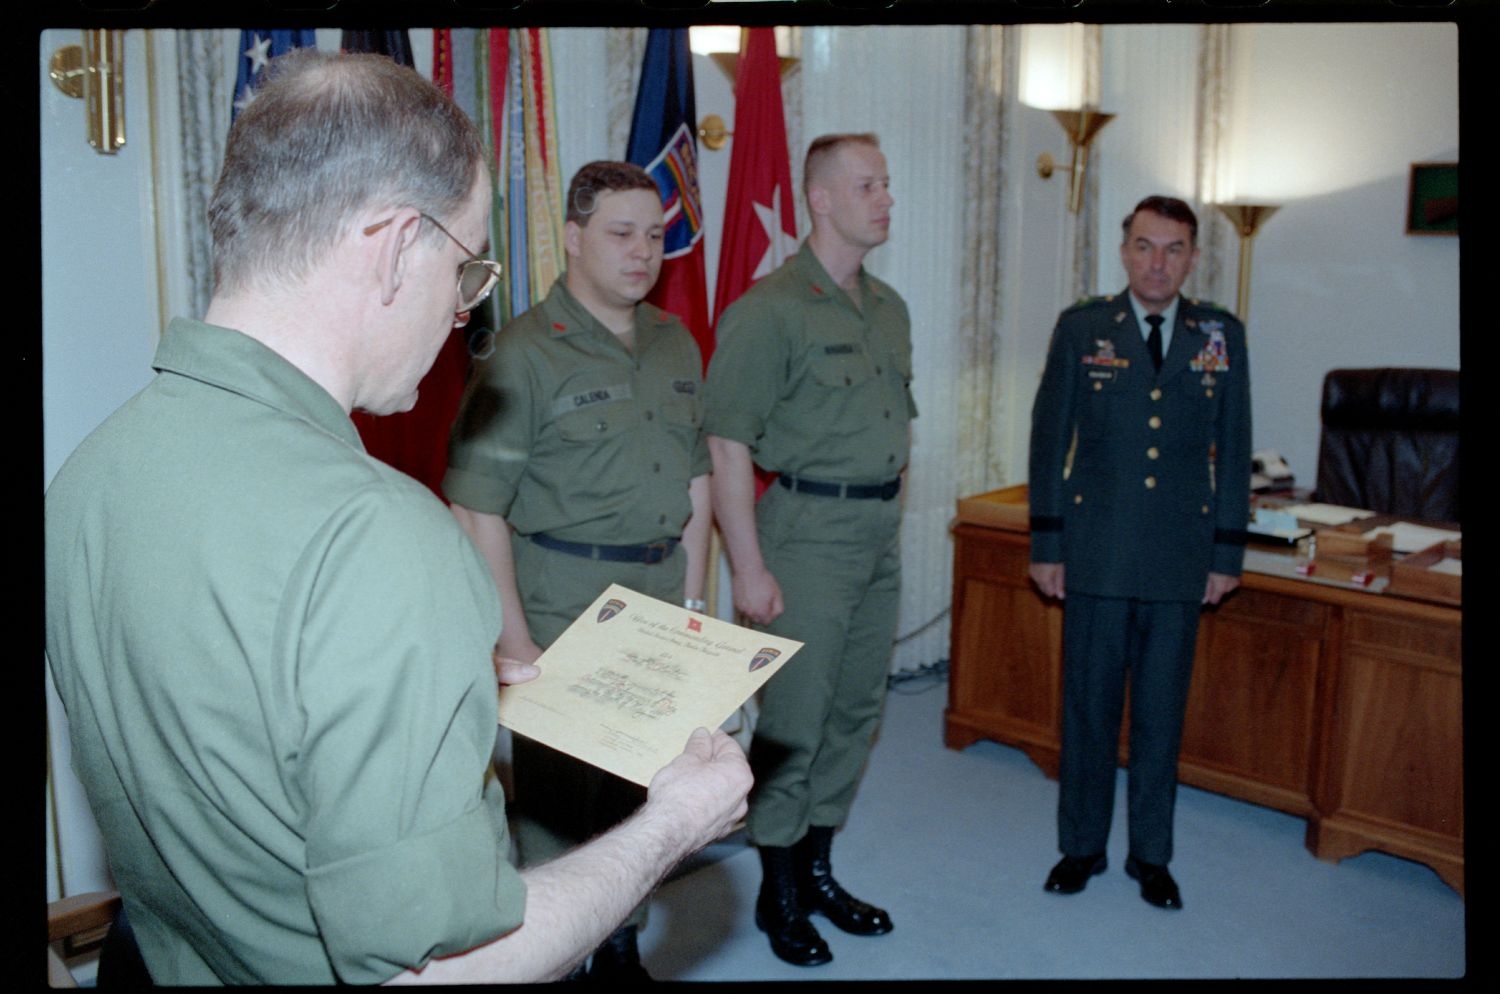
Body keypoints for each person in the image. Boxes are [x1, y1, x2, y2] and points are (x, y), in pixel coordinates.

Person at [43, 50, 750, 985]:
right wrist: (673, 822)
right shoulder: (379, 538)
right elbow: (442, 969)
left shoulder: (94, 468)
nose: (464, 312)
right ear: (389, 246)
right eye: (465, 269)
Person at [443, 160, 711, 980]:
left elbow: (695, 476)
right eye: (621, 234)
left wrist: (698, 601)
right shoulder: (522, 353)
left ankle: (622, 944)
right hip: (565, 608)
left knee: (641, 799)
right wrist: (513, 644)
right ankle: (554, 959)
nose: (642, 252)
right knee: (563, 815)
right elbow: (476, 506)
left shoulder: (674, 341)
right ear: (573, 238)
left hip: (662, 599)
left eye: (654, 235)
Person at [703, 133, 913, 967]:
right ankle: (778, 892)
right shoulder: (770, 309)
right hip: (805, 534)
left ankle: (819, 869)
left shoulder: (888, 308)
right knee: (794, 720)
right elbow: (726, 446)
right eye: (868, 185)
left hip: (876, 534)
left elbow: (894, 427)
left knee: (856, 711)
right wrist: (748, 567)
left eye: (887, 184)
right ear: (820, 199)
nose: (886, 198)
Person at [1028, 195, 1251, 911]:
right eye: (1145, 246)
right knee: (1088, 710)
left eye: (1175, 248)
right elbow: (1048, 439)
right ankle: (1082, 847)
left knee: (1161, 714)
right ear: (1123, 251)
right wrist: (1047, 542)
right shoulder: (1084, 327)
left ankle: (1151, 856)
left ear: (1193, 257)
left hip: (1180, 560)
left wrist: (1226, 554)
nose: (1159, 263)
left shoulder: (1221, 334)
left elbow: (1236, 445)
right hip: (1096, 553)